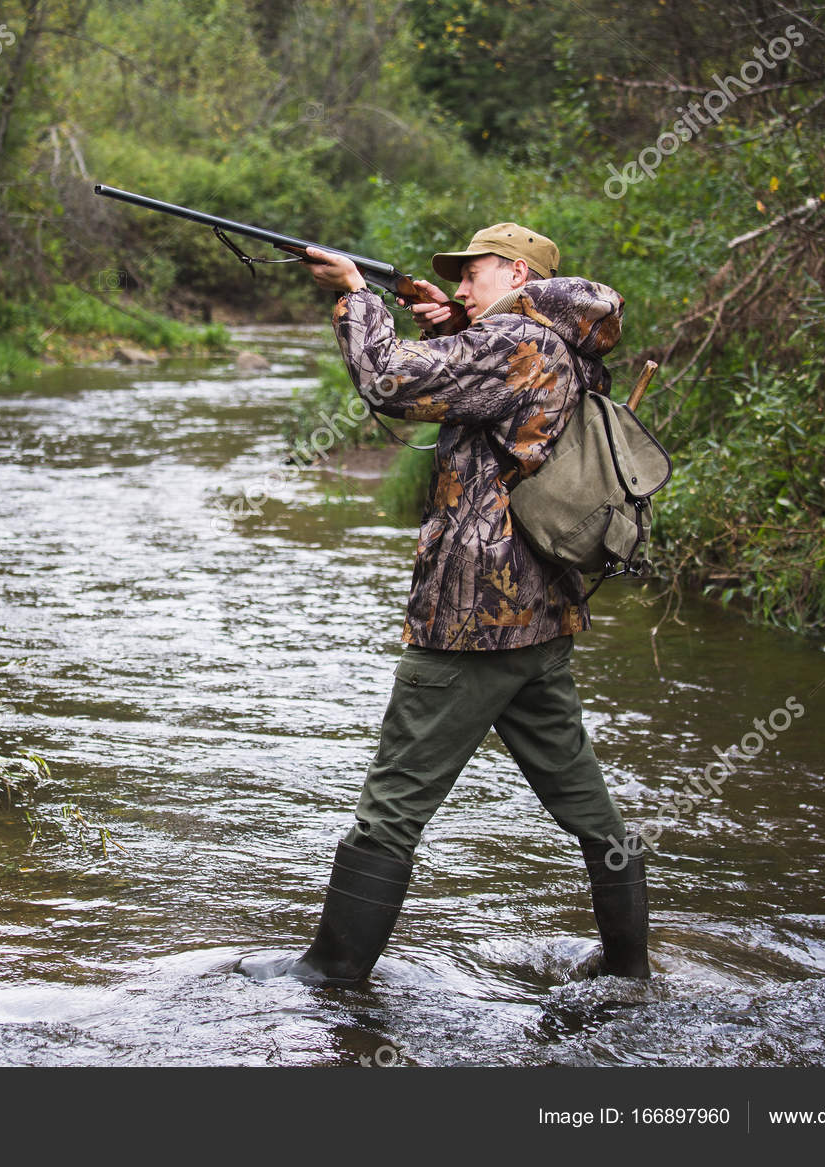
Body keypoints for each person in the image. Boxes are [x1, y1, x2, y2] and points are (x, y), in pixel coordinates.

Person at [242, 223, 649, 985]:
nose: (460, 287)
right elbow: (493, 390)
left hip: (472, 618)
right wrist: (459, 320)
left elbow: (391, 381)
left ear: (518, 271)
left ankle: (331, 972)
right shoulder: (554, 344)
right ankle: (630, 969)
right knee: (588, 808)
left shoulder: (513, 344)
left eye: (472, 276)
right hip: (537, 618)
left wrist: (357, 297)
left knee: (393, 799)